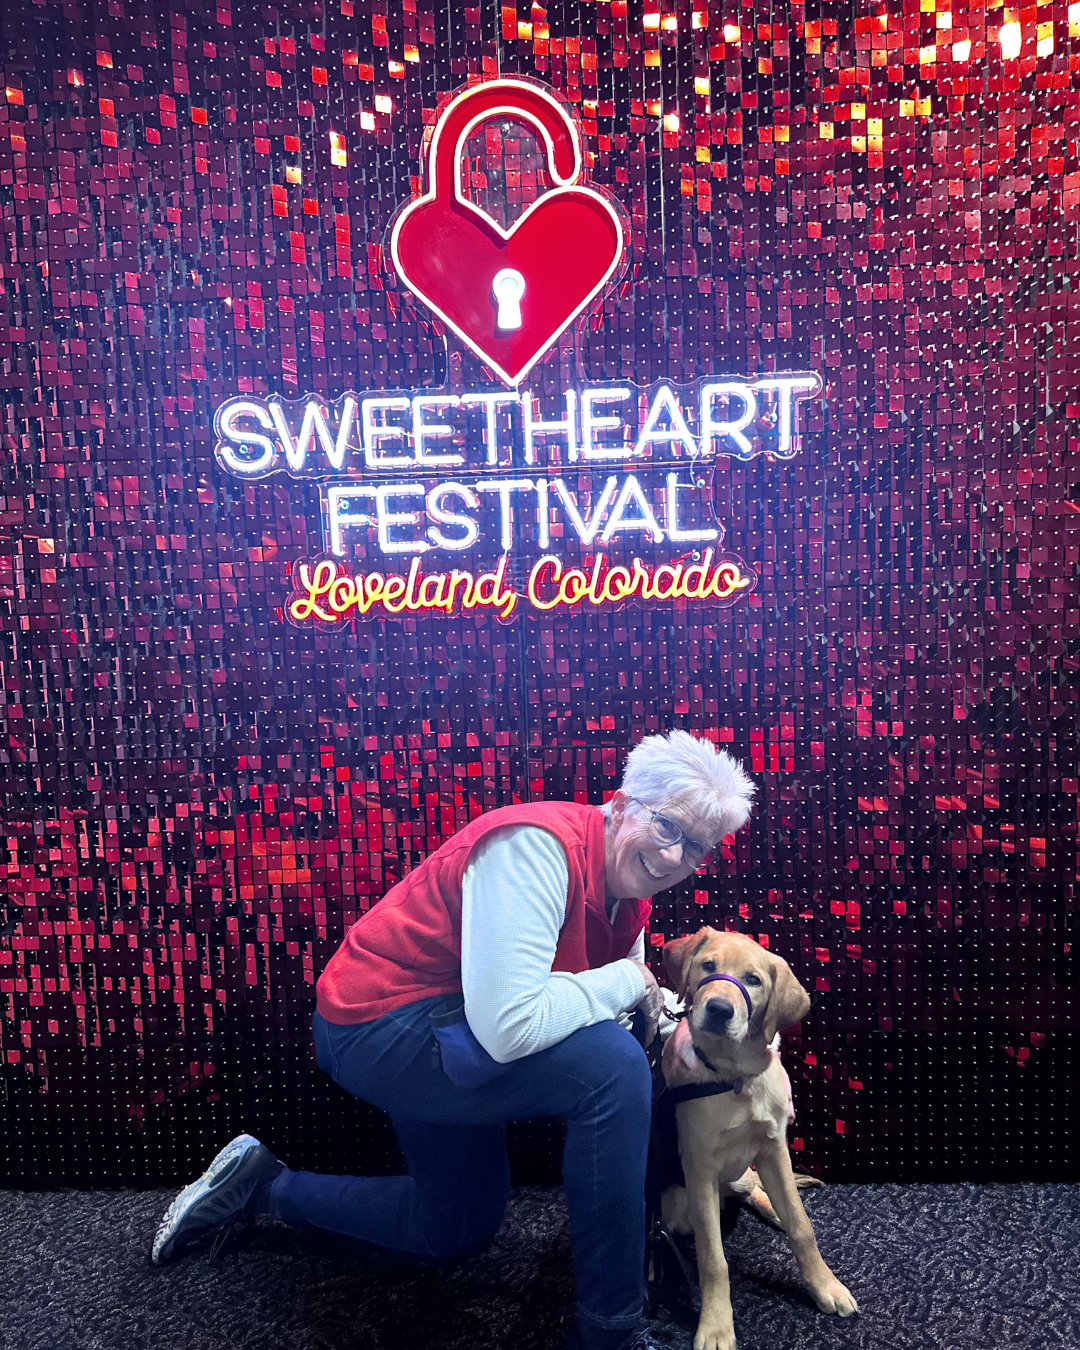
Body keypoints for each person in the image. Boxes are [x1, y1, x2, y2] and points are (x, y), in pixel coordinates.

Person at [151, 730, 756, 1350]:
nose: (675, 858)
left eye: (696, 848)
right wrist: (631, 981)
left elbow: (606, 998)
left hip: (454, 1025)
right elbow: (512, 1026)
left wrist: (657, 1020)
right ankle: (611, 1332)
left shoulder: (628, 887)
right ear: (624, 802)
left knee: (455, 1226)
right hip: (376, 1027)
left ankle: (262, 1188)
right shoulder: (536, 847)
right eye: (667, 828)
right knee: (612, 1066)